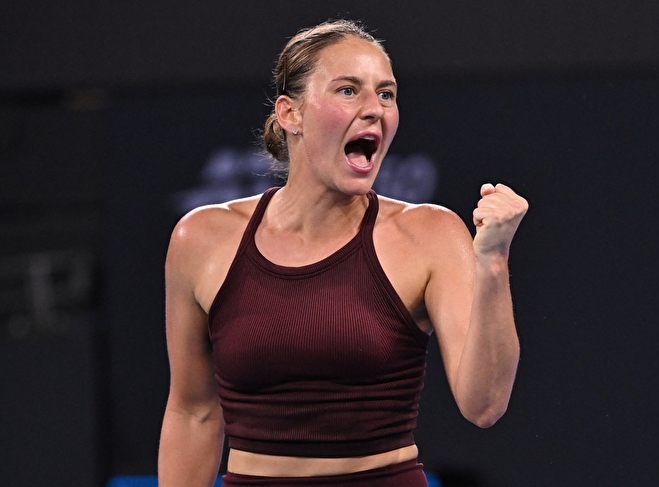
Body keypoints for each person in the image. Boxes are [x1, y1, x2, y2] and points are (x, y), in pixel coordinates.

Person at [158, 19, 528, 487]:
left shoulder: (430, 234)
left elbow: (485, 404)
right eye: (349, 90)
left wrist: (493, 260)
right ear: (290, 114)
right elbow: (192, 412)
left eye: (386, 94)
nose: (375, 109)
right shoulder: (200, 238)